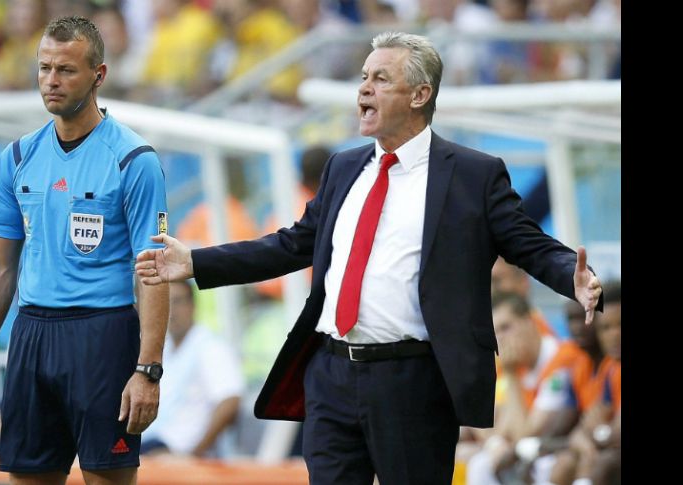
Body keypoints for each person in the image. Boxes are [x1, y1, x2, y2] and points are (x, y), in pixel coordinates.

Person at [136, 31, 603, 485]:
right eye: (363, 77)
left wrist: (573, 278)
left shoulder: (472, 175)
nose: (363, 88)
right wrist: (196, 262)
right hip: (331, 373)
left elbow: (528, 244)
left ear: (420, 95)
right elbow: (291, 244)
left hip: (414, 378)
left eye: (381, 78)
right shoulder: (343, 167)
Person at [0, 16, 170, 485]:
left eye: (65, 69)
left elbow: (153, 270)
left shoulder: (133, 160)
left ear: (98, 75)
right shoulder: (18, 157)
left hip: (103, 336)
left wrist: (148, 370)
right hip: (32, 335)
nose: (51, 81)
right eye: (44, 68)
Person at [140, 280, 244, 457]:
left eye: (177, 301)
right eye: (166, 303)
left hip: (177, 452)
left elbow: (230, 402)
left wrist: (194, 456)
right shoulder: (165, 349)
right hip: (152, 444)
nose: (171, 311)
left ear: (192, 305)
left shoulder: (210, 347)